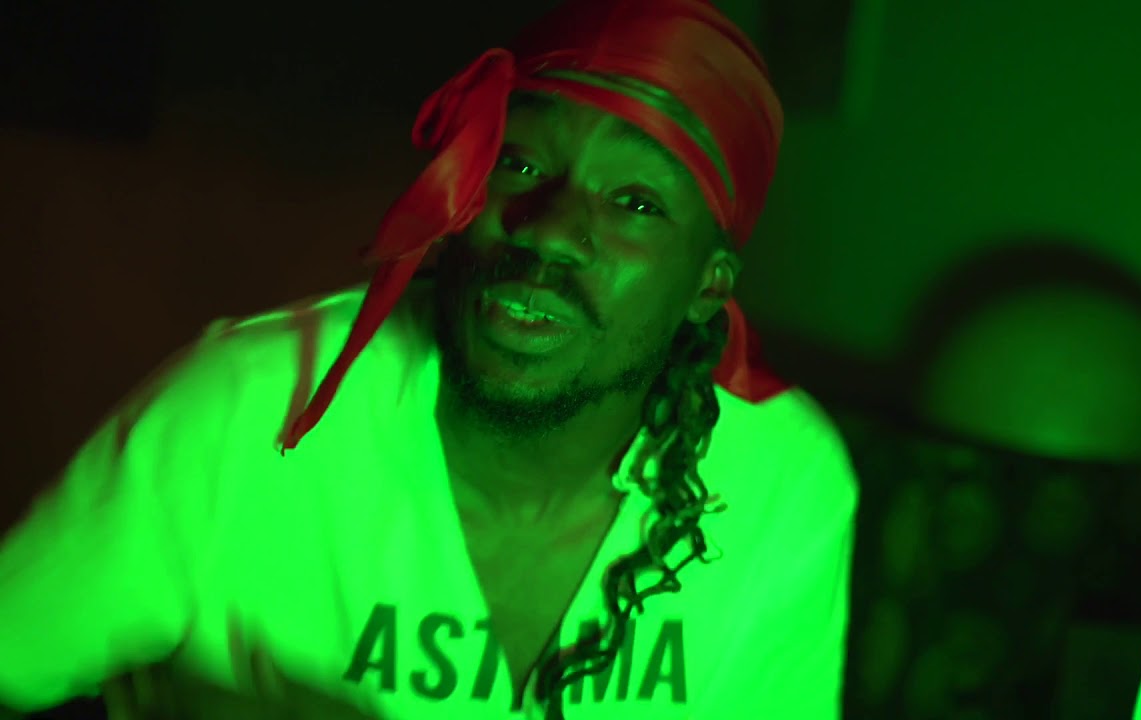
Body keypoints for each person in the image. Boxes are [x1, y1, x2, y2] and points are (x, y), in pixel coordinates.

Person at [0, 1, 859, 718]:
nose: (550, 230)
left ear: (708, 285)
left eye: (635, 203)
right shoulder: (243, 407)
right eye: (519, 162)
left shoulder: (783, 484)